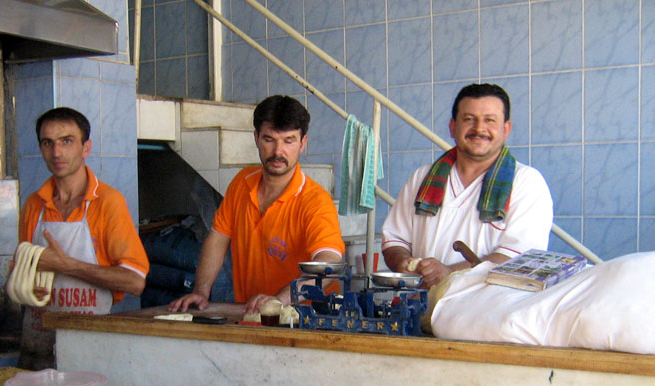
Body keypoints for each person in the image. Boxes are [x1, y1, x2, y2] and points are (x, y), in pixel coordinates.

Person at [169, 95, 345, 315]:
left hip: (309, 319)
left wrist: (279, 301)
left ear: (303, 143)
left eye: (288, 140)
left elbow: (328, 265)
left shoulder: (315, 201)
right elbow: (218, 239)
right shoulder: (242, 183)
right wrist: (201, 291)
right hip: (254, 315)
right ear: (256, 138)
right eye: (269, 139)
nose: (278, 151)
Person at [12, 107, 149, 370]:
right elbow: (19, 272)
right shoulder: (33, 204)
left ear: (86, 148)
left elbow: (135, 281)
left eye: (67, 141)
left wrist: (66, 265)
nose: (57, 152)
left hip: (88, 351)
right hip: (36, 350)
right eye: (47, 143)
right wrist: (27, 287)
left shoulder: (107, 202)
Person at [381, 83, 553, 288]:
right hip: (422, 309)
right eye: (469, 119)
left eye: (490, 120)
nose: (479, 129)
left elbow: (519, 260)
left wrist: (449, 273)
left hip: (488, 311)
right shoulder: (422, 178)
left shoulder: (526, 183)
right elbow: (395, 240)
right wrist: (403, 263)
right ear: (453, 127)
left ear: (506, 129)